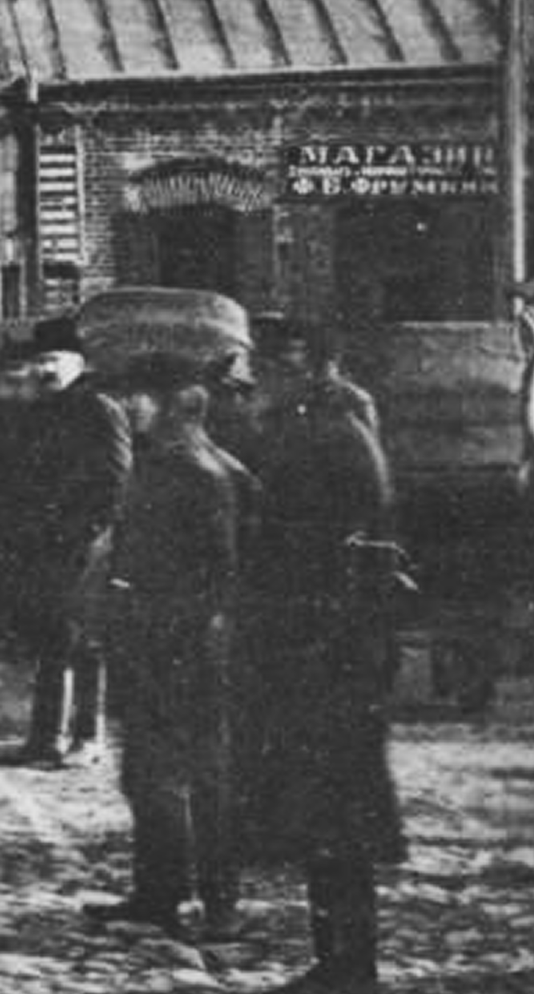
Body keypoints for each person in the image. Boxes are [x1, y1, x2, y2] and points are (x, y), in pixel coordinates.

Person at [237, 323, 406, 994]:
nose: (260, 381)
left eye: (270, 368)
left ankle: (350, 966)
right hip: (328, 644)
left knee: (338, 814)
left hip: (330, 649)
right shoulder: (322, 430)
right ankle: (336, 961)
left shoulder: (327, 437)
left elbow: (311, 545)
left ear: (303, 370)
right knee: (326, 817)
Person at [93, 352, 258, 941]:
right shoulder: (162, 463)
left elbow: (222, 574)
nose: (128, 405)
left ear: (173, 405)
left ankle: (221, 904)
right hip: (150, 640)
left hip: (190, 647)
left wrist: (172, 626)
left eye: (139, 395)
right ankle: (157, 894)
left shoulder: (201, 472)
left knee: (205, 779)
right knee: (146, 774)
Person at [0, 317, 134, 771]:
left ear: (78, 362)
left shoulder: (100, 408)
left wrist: (91, 530)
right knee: (51, 638)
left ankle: (87, 736)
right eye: (40, 361)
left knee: (85, 641)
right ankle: (45, 738)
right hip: (46, 541)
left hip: (88, 542)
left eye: (53, 360)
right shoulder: (40, 409)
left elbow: (117, 478)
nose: (45, 369)